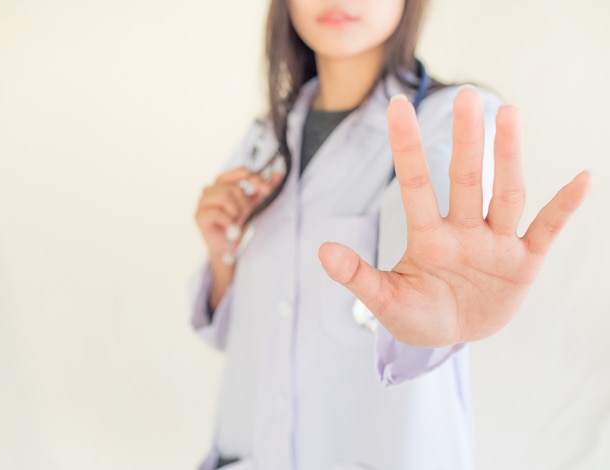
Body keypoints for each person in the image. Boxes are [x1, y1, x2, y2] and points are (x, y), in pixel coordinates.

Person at [190, 0, 591, 469]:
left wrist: (440, 307)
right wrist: (223, 260)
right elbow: (252, 335)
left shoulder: (452, 124)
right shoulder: (263, 139)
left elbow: (437, 275)